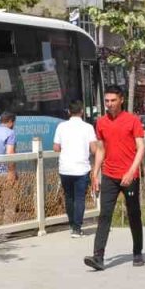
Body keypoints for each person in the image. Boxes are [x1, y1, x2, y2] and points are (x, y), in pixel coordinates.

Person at [85, 86, 145, 271]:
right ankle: (98, 256)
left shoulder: (132, 120)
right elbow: (101, 149)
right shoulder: (101, 122)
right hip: (109, 175)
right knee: (104, 215)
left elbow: (141, 148)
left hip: (129, 176)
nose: (109, 104)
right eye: (107, 101)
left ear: (121, 100)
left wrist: (131, 171)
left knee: (134, 214)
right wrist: (95, 173)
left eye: (113, 100)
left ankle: (137, 252)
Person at [53, 101, 97, 237]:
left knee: (69, 197)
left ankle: (72, 224)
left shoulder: (61, 126)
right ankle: (77, 228)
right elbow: (94, 149)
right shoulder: (88, 127)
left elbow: (56, 147)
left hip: (65, 168)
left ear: (68, 112)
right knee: (79, 198)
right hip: (81, 168)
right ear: (82, 112)